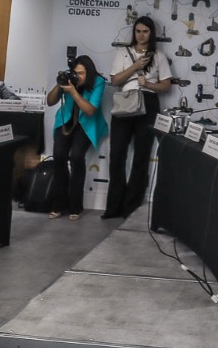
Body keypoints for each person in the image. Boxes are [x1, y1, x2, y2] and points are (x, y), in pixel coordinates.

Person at [104, 16, 172, 219]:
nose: (141, 35)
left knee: (141, 156)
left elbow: (166, 86)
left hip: (148, 103)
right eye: (138, 31)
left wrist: (148, 84)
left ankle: (131, 207)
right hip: (125, 102)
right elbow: (115, 81)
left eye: (145, 31)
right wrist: (134, 67)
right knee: (117, 154)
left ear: (151, 33)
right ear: (134, 32)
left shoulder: (158, 55)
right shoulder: (123, 53)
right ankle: (113, 207)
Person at [46, 55, 106, 222]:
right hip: (66, 121)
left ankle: (75, 206)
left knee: (77, 157)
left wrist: (73, 92)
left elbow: (90, 111)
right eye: (76, 73)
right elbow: (50, 102)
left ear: (89, 73)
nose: (78, 76)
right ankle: (59, 204)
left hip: (86, 123)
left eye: (82, 73)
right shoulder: (68, 77)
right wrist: (60, 83)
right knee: (59, 156)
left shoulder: (98, 82)